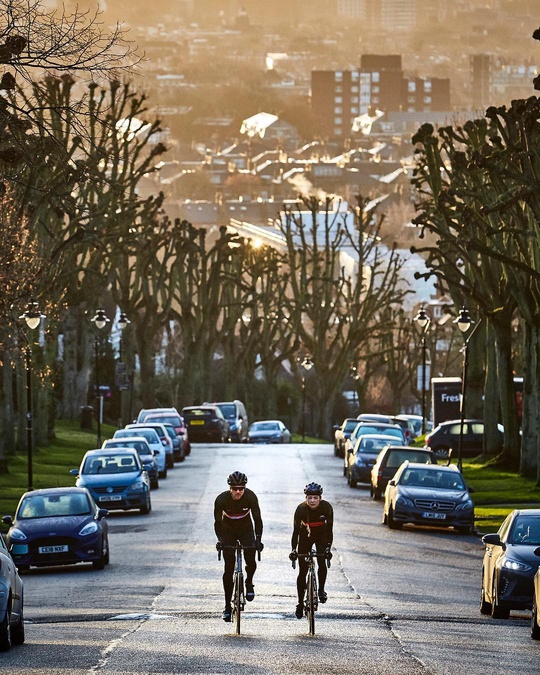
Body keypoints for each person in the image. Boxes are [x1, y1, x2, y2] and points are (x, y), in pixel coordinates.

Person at [214, 470, 263, 622]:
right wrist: (220, 540)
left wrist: (258, 540)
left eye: (241, 488)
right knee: (228, 568)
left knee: (251, 560)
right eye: (234, 489)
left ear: (245, 488)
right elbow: (217, 523)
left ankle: (249, 583)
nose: (238, 492)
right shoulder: (221, 499)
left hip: (246, 530)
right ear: (230, 488)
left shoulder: (250, 497)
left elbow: (258, 520)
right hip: (228, 531)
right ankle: (227, 607)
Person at [290, 482, 333, 619]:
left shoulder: (327, 508)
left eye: (315, 498)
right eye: (310, 498)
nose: (312, 501)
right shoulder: (301, 509)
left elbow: (330, 531)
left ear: (320, 498)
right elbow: (295, 532)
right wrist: (293, 550)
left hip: (321, 534)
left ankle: (321, 590)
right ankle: (300, 603)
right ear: (306, 498)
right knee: (302, 570)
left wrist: (327, 548)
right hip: (305, 535)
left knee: (321, 560)